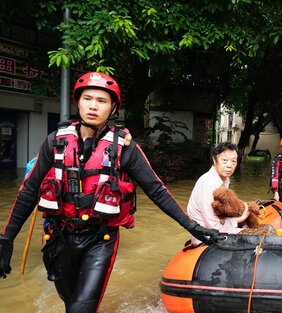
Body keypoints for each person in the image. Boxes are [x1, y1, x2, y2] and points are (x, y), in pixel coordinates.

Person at [0, 72, 218, 313]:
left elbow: (157, 191)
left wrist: (193, 227)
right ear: (78, 102)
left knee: (80, 309)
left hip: (99, 240)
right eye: (88, 98)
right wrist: (7, 237)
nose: (93, 106)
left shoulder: (126, 149)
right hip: (58, 237)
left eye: (102, 101)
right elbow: (29, 190)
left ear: (113, 108)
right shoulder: (55, 141)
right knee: (69, 302)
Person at [187, 141, 250, 245]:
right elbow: (212, 224)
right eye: (224, 160)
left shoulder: (225, 179)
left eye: (234, 161)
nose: (229, 165)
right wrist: (239, 219)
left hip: (219, 228)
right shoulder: (207, 182)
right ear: (214, 160)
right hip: (206, 236)